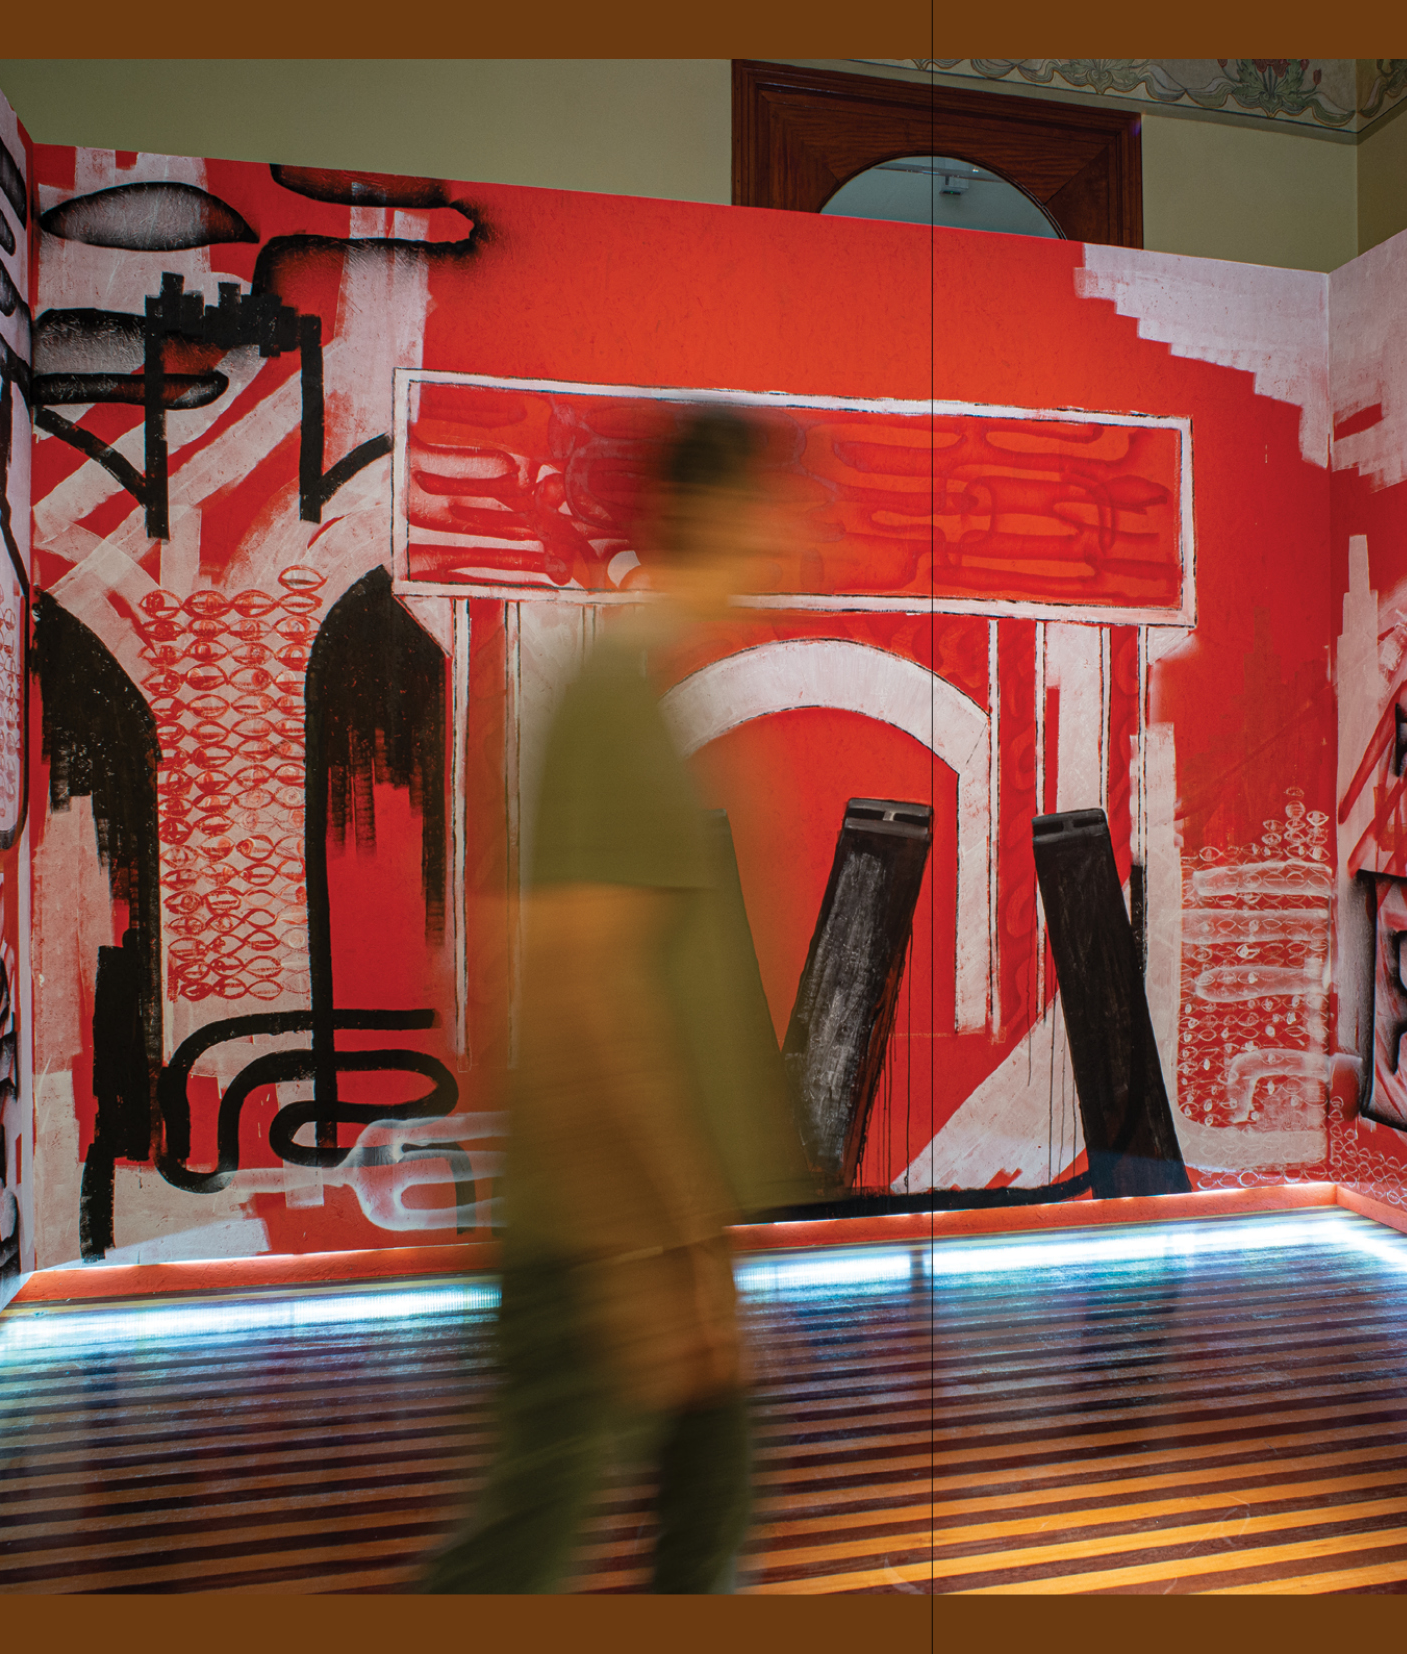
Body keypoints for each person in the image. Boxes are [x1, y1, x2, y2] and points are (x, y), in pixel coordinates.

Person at [423, 403, 816, 1594]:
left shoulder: (646, 695)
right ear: (718, 513)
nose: (788, 538)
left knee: (700, 1515)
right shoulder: (612, 697)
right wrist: (661, 1253)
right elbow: (588, 992)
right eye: (772, 512)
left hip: (649, 1224)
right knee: (522, 1550)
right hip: (601, 1237)